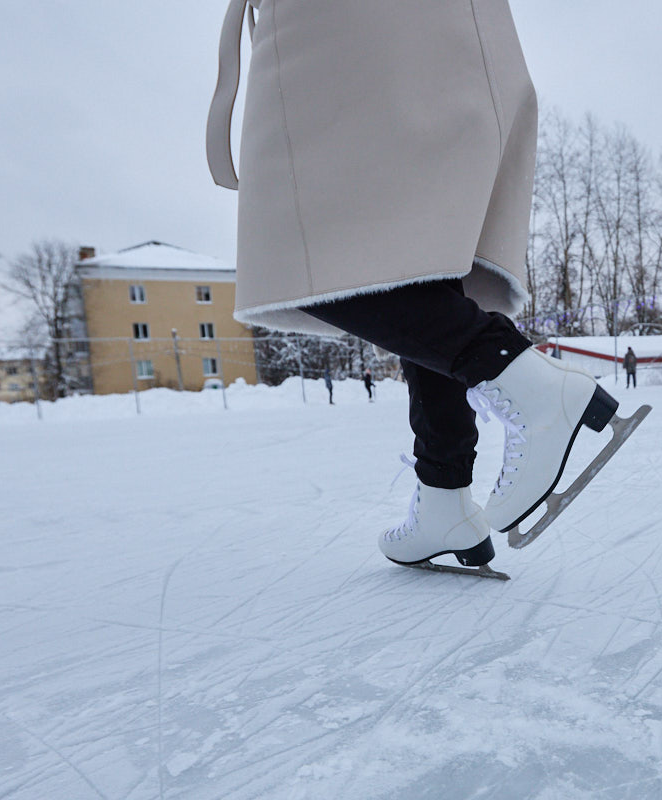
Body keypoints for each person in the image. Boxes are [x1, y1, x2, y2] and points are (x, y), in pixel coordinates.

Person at [206, 0, 635, 574]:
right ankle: (443, 499)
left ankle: (533, 388)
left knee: (308, 253)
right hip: (444, 34)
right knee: (416, 256)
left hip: (345, 33)